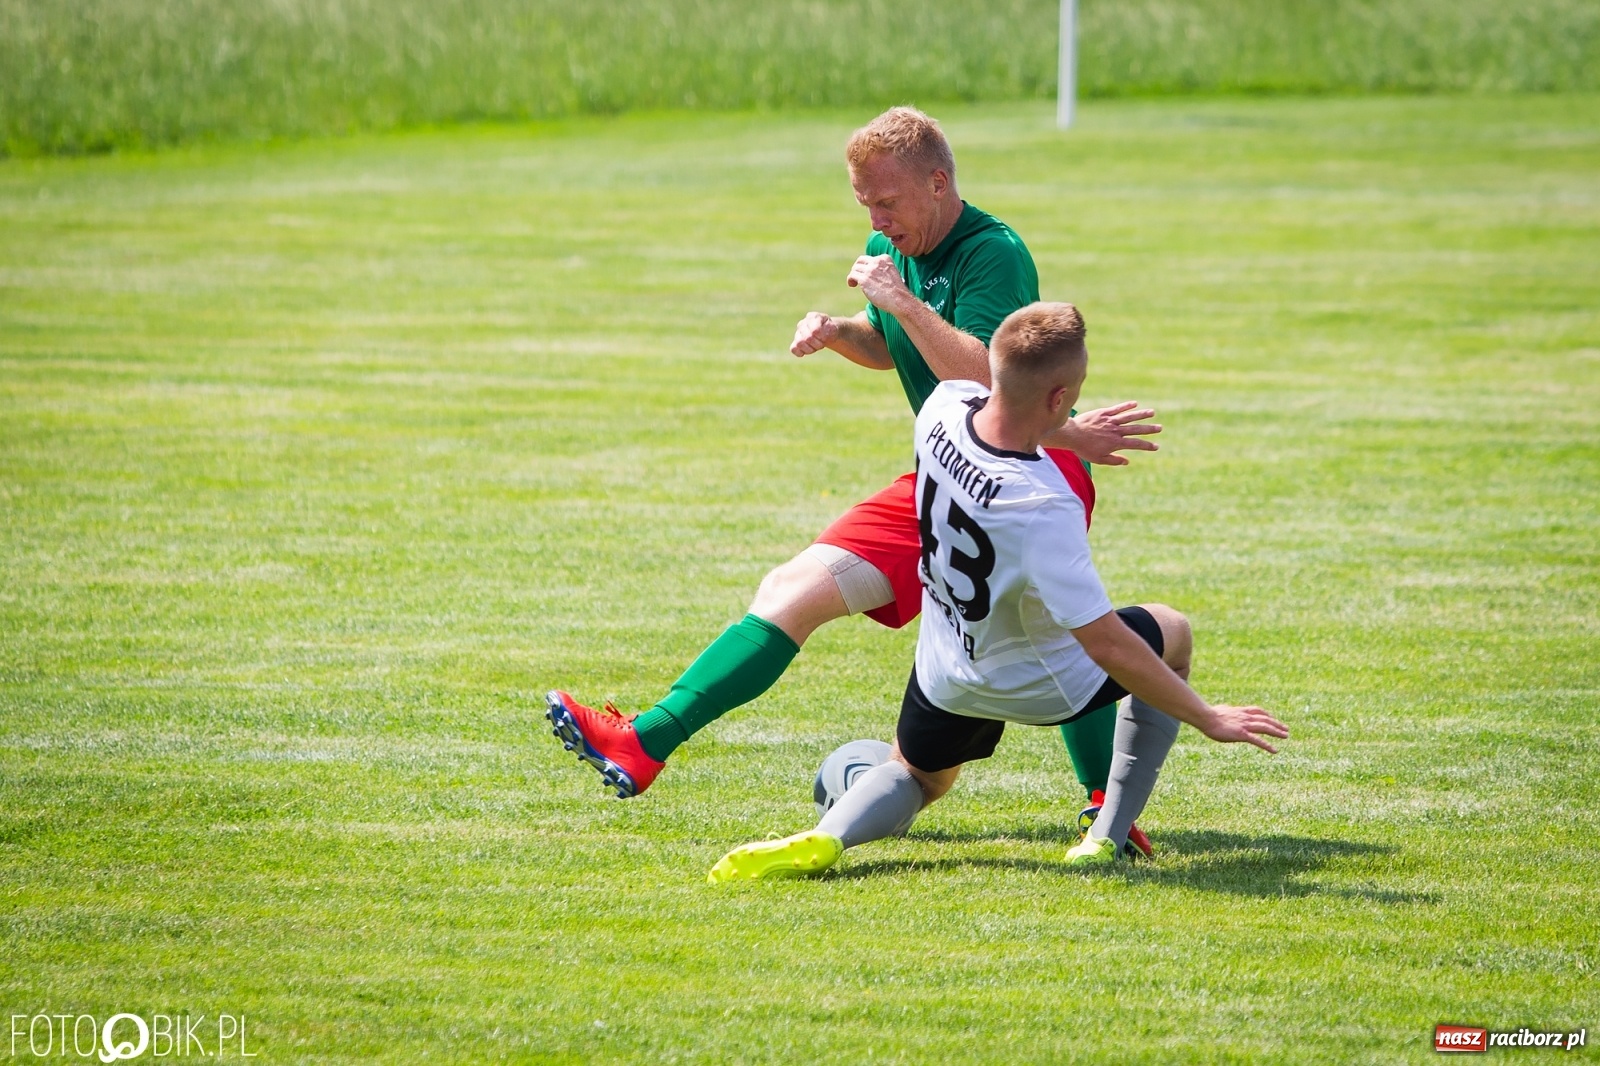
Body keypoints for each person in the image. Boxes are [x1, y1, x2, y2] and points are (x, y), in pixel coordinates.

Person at [545, 107, 1160, 821]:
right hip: (947, 476)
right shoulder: (890, 243)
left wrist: (899, 300)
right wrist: (840, 331)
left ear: (937, 183)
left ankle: (1109, 811)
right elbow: (888, 338)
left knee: (1055, 632)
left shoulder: (992, 253)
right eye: (864, 201)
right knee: (793, 587)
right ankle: (645, 741)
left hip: (1028, 476)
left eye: (887, 201)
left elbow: (998, 383)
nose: (876, 217)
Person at [707, 303, 1287, 881]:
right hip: (1041, 686)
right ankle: (1105, 834)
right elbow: (1107, 643)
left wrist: (1067, 433)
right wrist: (1207, 716)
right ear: (1060, 398)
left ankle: (827, 835)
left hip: (948, 668)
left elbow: (983, 390)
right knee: (1172, 630)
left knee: (917, 775)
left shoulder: (940, 410)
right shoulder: (1043, 505)